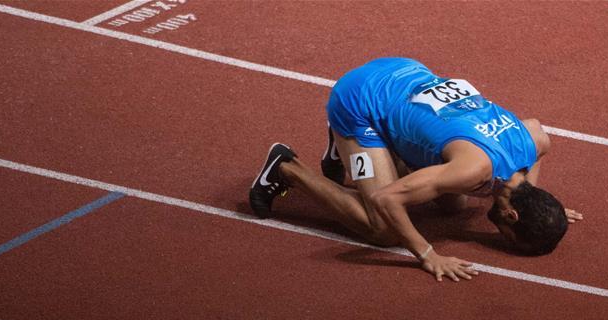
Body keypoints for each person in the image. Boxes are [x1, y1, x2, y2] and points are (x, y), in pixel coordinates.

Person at [249, 57, 582, 282]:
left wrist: (539, 202)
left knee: (453, 204)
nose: (500, 240)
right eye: (509, 240)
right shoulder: (473, 170)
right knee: (382, 229)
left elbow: (538, 134)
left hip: (407, 71)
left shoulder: (531, 142)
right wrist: (427, 254)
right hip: (361, 100)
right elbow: (386, 199)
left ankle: (356, 149)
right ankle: (287, 168)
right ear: (511, 216)